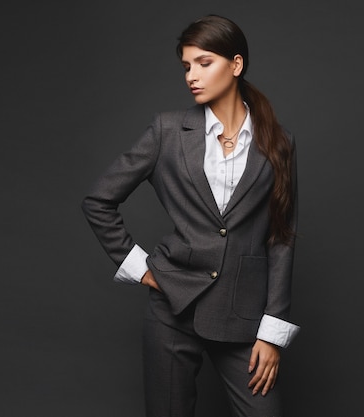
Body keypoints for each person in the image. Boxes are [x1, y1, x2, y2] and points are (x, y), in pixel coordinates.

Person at [81, 14, 300, 417]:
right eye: (186, 66)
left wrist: (272, 333)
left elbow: (281, 238)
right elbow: (99, 200)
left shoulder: (277, 143)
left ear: (235, 65)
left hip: (243, 314)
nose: (191, 76)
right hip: (172, 310)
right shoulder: (167, 131)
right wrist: (141, 269)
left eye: (204, 62)